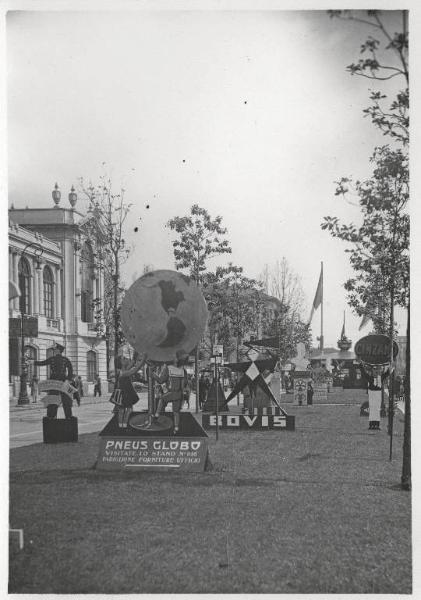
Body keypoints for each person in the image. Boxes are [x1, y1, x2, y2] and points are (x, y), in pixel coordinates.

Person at [152, 350, 189, 435]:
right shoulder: (183, 371)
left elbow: (161, 380)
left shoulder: (169, 368)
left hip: (172, 392)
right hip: (179, 394)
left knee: (162, 399)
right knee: (176, 412)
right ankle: (176, 428)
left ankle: (157, 415)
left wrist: (153, 374)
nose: (173, 357)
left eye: (175, 356)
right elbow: (184, 384)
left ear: (177, 359)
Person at [33, 343, 74, 419]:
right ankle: (68, 416)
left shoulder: (52, 359)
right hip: (63, 380)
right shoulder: (66, 359)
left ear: (59, 350)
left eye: (55, 350)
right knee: (66, 399)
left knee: (52, 398)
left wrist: (33, 362)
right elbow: (71, 371)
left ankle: (51, 416)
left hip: (54, 381)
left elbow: (42, 363)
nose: (54, 351)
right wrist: (68, 380)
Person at [114, 352, 147, 428]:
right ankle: (124, 425)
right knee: (127, 409)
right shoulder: (124, 372)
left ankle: (122, 425)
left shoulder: (124, 369)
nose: (126, 359)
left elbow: (133, 362)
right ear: (121, 363)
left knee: (124, 410)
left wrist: (135, 352)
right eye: (124, 359)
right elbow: (135, 369)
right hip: (124, 393)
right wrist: (144, 359)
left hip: (125, 393)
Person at [360, 361, 391, 430]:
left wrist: (390, 365)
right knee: (372, 409)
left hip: (378, 394)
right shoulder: (370, 378)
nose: (376, 372)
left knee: (377, 409)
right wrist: (361, 364)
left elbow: (387, 373)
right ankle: (371, 425)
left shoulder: (381, 377)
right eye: (374, 370)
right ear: (372, 372)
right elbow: (364, 373)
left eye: (377, 370)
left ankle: (377, 425)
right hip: (372, 393)